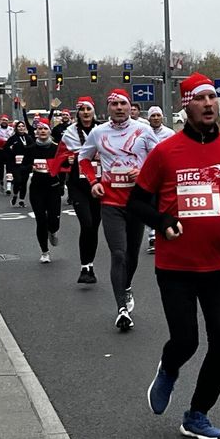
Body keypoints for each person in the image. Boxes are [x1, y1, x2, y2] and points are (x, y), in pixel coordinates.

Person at [128, 72, 220, 439]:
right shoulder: (165, 152)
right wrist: (162, 219)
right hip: (175, 267)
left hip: (217, 264)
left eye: (212, 98)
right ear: (186, 105)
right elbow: (136, 201)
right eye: (199, 98)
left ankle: (197, 414)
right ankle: (168, 368)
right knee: (186, 340)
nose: (208, 104)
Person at [78, 88, 158, 330]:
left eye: (123, 104)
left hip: (137, 202)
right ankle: (121, 309)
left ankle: (126, 287)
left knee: (132, 256)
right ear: (108, 108)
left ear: (129, 106)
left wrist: (143, 172)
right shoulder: (98, 132)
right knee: (119, 254)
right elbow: (83, 159)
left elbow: (160, 160)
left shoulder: (143, 130)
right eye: (115, 105)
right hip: (111, 202)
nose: (119, 108)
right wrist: (93, 182)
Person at [50, 96, 101, 284]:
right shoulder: (70, 133)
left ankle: (90, 265)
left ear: (93, 111)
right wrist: (69, 159)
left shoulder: (102, 130)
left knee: (94, 226)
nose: (86, 113)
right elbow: (59, 158)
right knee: (86, 224)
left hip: (98, 184)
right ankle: (84, 266)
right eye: (82, 110)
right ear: (77, 113)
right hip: (78, 185)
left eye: (89, 109)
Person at [22, 118, 64, 263]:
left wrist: (62, 185)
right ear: (36, 132)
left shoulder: (56, 148)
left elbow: (64, 168)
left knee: (53, 221)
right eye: (40, 129)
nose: (42, 131)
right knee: (41, 221)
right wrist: (30, 168)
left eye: (45, 129)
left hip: (53, 188)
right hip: (37, 189)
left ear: (49, 131)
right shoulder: (31, 149)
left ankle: (53, 230)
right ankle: (44, 251)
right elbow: (22, 167)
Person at [145, 105, 175, 253]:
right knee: (151, 206)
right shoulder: (143, 134)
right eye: (153, 116)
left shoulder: (170, 133)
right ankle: (152, 236)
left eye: (158, 115)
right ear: (148, 118)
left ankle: (168, 231)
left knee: (166, 205)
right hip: (149, 176)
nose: (156, 118)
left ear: (162, 117)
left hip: (166, 176)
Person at [5, 121, 34, 207]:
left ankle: (21, 200)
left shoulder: (28, 137)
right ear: (16, 128)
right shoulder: (13, 138)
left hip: (26, 163)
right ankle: (15, 195)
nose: (21, 128)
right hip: (16, 164)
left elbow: (33, 147)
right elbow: (6, 148)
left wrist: (27, 149)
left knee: (24, 182)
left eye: (22, 126)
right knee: (18, 180)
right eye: (19, 126)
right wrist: (12, 153)